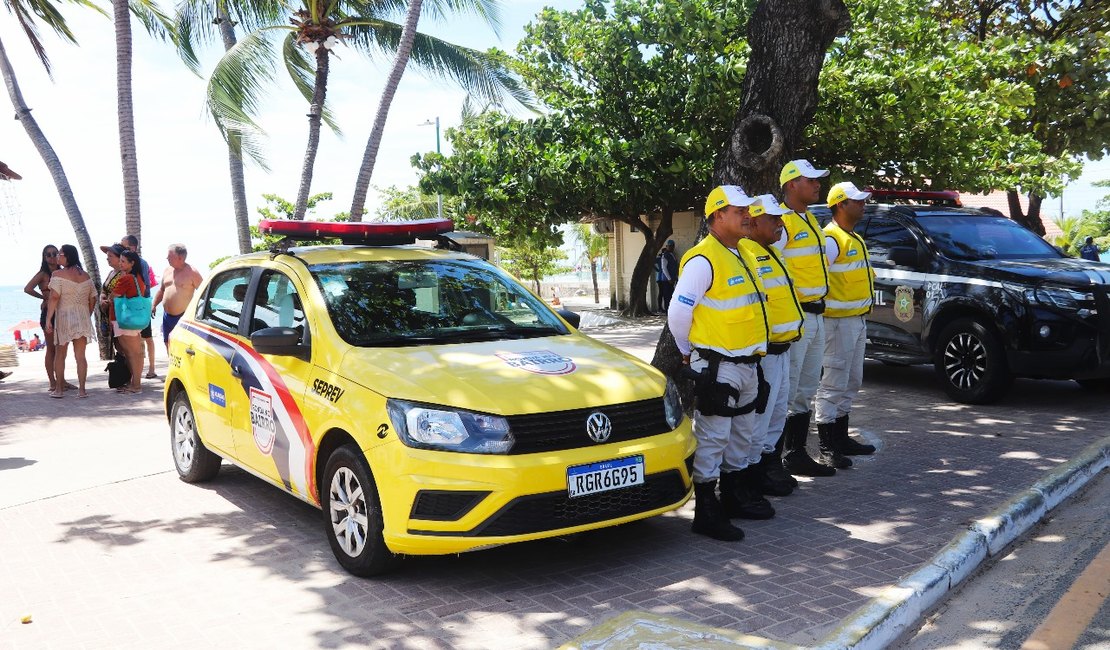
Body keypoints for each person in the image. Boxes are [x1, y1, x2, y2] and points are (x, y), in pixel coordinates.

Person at [668, 185, 773, 542]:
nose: (748, 215)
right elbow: (679, 312)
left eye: (748, 210)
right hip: (718, 365)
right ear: (717, 216)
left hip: (746, 364)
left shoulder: (742, 252)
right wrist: (687, 351)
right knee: (714, 438)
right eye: (739, 210)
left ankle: (734, 497)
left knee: (741, 436)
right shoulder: (703, 259)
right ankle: (707, 511)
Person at [774, 159, 837, 478]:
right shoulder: (782, 223)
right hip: (796, 319)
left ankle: (796, 452)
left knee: (807, 386)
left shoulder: (810, 219)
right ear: (790, 185)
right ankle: (774, 460)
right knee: (788, 388)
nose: (817, 184)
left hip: (816, 314)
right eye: (809, 179)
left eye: (817, 179)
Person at [741, 195, 805, 496]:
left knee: (777, 414)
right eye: (773, 219)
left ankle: (769, 468)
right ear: (753, 221)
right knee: (760, 419)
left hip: (782, 350)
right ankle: (754, 478)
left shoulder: (771, 252)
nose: (780, 223)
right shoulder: (748, 255)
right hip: (764, 354)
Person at [815, 182, 878, 468]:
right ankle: (827, 446)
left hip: (856, 321)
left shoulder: (853, 237)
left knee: (851, 382)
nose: (863, 205)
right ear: (841, 204)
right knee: (833, 384)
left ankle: (841, 439)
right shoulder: (831, 239)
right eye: (857, 201)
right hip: (837, 325)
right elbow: (818, 281)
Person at [45, 244, 96, 398]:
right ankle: (82, 390)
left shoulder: (57, 274)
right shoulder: (85, 275)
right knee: (80, 356)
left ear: (67, 256)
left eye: (60, 254)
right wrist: (87, 313)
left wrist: (48, 319)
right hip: (82, 316)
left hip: (65, 317)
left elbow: (54, 297)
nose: (57, 257)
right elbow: (93, 297)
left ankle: (59, 390)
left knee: (60, 354)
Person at [24, 244, 68, 391]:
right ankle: (53, 382)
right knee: (51, 349)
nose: (51, 256)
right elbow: (28, 288)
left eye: (54, 253)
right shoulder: (43, 274)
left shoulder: (64, 272)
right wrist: (43, 298)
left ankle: (62, 380)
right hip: (49, 313)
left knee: (61, 349)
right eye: (48, 254)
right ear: (44, 257)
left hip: (63, 313)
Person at [111, 250, 150, 394]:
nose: (120, 264)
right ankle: (135, 383)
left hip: (123, 319)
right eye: (120, 261)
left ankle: (136, 385)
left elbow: (113, 296)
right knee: (136, 352)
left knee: (131, 353)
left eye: (123, 261)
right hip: (135, 318)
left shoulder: (126, 279)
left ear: (132, 263)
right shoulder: (138, 277)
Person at [151, 244, 204, 347]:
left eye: (170, 256)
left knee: (182, 346)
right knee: (168, 343)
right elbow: (162, 290)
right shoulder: (167, 270)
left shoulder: (192, 272)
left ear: (180, 258)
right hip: (167, 316)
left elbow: (204, 292)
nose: (167, 258)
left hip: (183, 317)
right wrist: (154, 305)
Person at [121, 234, 158, 378]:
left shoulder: (141, 263)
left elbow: (145, 286)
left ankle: (152, 368)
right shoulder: (123, 263)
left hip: (140, 304)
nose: (122, 247)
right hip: (135, 305)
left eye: (124, 245)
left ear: (132, 247)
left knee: (147, 337)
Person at [97, 244, 126, 361]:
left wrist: (107, 301)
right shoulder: (111, 273)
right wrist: (102, 299)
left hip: (119, 314)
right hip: (109, 313)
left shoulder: (123, 274)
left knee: (123, 345)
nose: (107, 258)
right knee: (117, 344)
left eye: (110, 256)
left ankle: (128, 374)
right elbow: (104, 290)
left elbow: (121, 293)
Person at [654, 240, 679, 312]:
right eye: (670, 246)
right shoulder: (665, 255)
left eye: (672, 246)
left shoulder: (672, 255)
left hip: (672, 279)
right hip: (666, 280)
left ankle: (670, 310)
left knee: (671, 295)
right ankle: (667, 310)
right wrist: (669, 278)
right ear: (667, 246)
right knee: (666, 296)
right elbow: (664, 268)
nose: (671, 247)